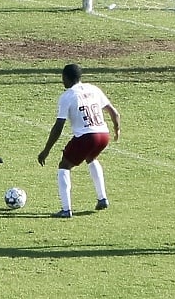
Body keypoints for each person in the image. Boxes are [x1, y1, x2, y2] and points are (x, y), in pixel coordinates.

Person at [38, 63, 121, 218]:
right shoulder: (94, 89)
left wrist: (46, 150)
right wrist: (117, 130)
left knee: (64, 165)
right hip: (103, 135)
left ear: (67, 78)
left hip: (87, 137)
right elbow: (114, 112)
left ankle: (66, 209)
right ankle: (102, 198)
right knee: (91, 157)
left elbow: (58, 126)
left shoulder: (67, 96)